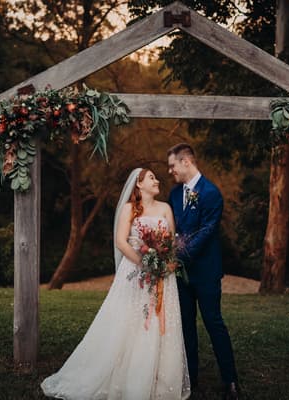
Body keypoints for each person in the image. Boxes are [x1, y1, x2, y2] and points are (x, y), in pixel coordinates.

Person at [41, 168, 190, 400]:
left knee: (159, 323)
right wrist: (145, 263)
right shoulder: (130, 209)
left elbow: (172, 241)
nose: (157, 180)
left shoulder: (165, 208)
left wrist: (166, 263)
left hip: (163, 276)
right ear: (139, 184)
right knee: (130, 322)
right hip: (135, 272)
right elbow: (121, 242)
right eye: (151, 178)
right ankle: (127, 376)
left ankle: (161, 381)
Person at [167, 143, 239, 400]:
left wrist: (179, 255)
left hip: (206, 272)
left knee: (213, 322)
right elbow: (171, 228)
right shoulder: (174, 195)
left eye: (172, 165)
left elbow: (208, 231)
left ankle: (230, 380)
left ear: (186, 161)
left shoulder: (211, 193)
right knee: (185, 325)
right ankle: (191, 378)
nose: (170, 171)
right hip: (180, 275)